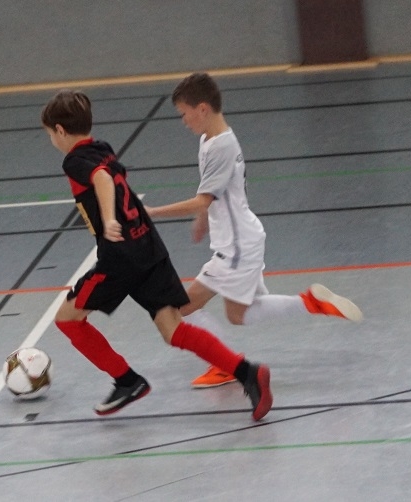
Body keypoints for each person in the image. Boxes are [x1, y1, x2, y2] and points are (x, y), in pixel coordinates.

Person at [41, 89, 272, 421]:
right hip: (147, 244)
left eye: (50, 134)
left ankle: (126, 380)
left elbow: (102, 179)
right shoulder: (102, 148)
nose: (52, 140)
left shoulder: (75, 161)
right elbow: (113, 177)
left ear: (61, 130)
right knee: (173, 328)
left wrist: (108, 218)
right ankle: (247, 372)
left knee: (67, 318)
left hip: (120, 258)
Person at [146, 72, 363, 389]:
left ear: (202, 109)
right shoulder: (208, 140)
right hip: (239, 242)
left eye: (184, 113)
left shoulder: (221, 146)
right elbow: (211, 192)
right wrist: (203, 218)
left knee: (181, 308)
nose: (183, 121)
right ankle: (309, 303)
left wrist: (153, 212)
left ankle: (225, 363)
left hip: (235, 248)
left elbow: (203, 198)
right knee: (240, 314)